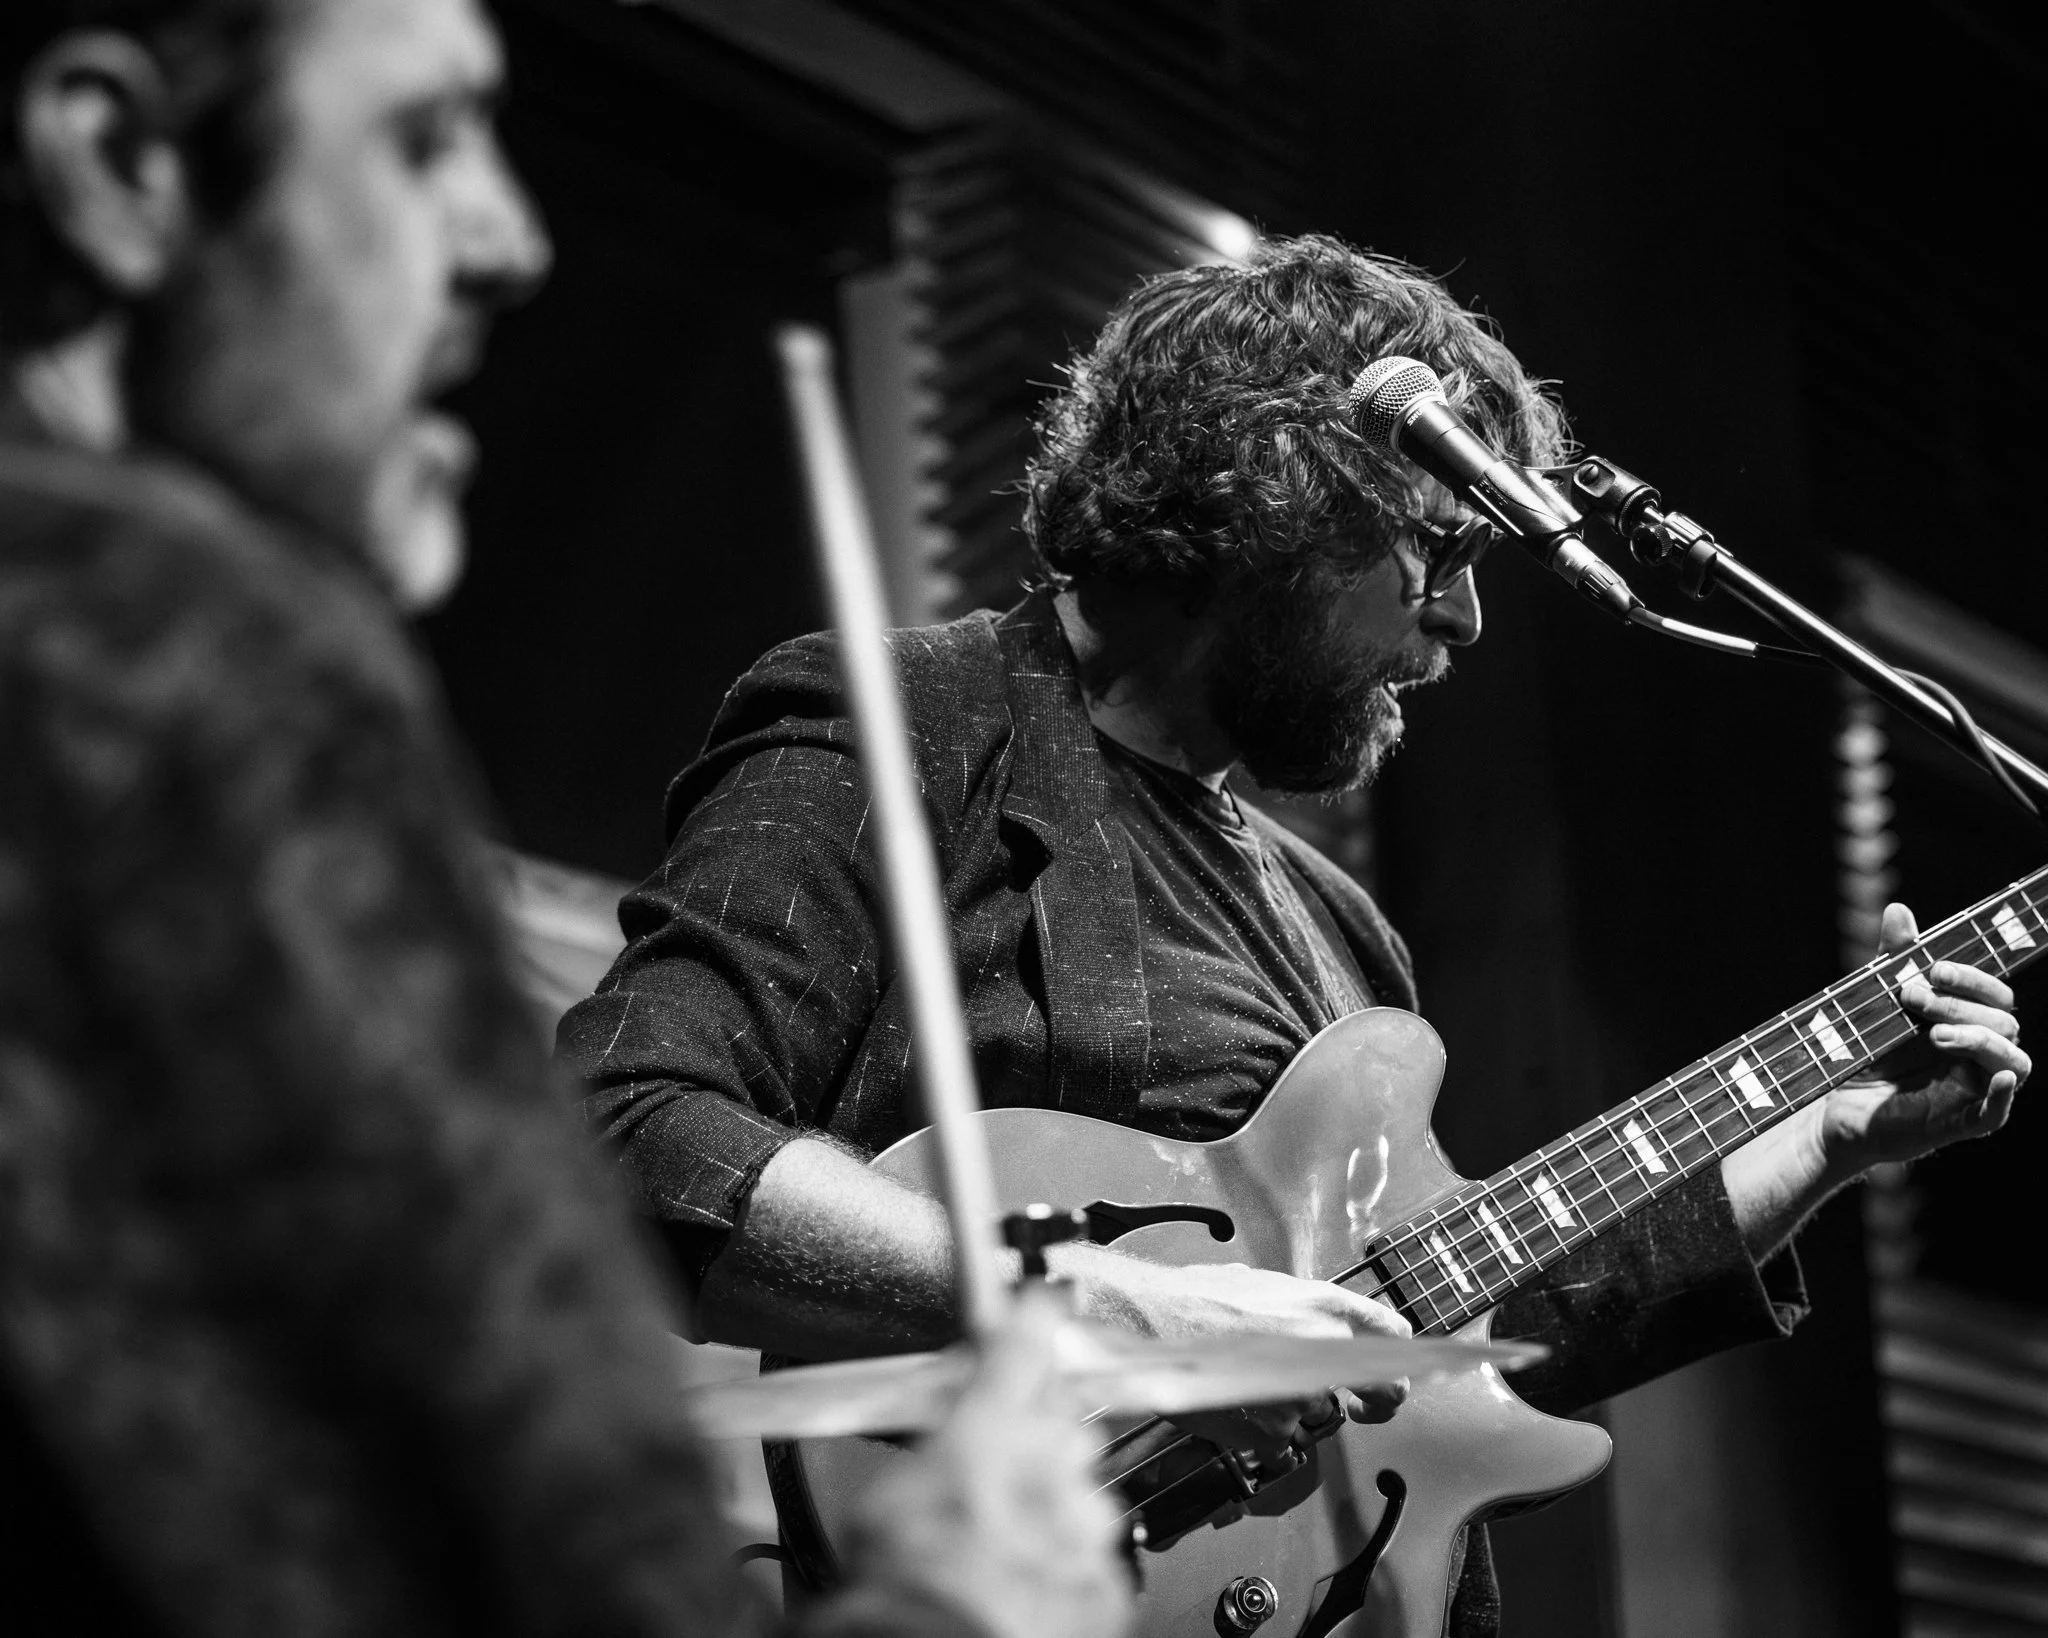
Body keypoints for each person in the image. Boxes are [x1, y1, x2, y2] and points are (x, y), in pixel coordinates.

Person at [557, 235, 2031, 1634]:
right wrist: (1122, 1306)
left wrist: (1826, 1136)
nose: (1459, 626)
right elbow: (631, 1129)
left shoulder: (1341, 930)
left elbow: (1447, 1337)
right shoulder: (914, 728)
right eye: (1434, 553)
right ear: (1273, 496)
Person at [0, 4, 1133, 1638]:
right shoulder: (180, 648)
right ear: (116, 163)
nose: (508, 240)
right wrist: (963, 1604)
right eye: (422, 138)